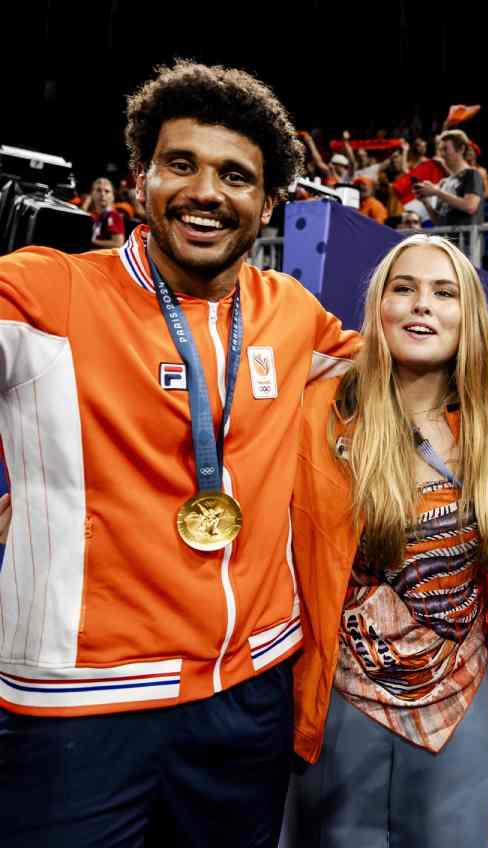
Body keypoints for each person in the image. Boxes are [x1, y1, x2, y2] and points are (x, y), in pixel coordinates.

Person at [0, 60, 358, 846]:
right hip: (82, 709)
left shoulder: (291, 311)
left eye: (236, 176)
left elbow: (403, 371)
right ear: (141, 178)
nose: (206, 192)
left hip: (250, 696)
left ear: (267, 204)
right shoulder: (43, 291)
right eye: (181, 164)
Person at [289, 234, 488, 848]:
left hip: (463, 696)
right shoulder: (317, 407)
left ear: (467, 315)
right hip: (340, 693)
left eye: (443, 293)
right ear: (379, 307)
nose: (423, 305)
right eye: (405, 288)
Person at [416, 129, 484, 251]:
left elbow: (470, 206)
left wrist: (436, 192)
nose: (441, 154)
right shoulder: (444, 182)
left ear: (461, 149)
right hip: (444, 245)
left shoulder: (472, 175)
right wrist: (425, 201)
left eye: (445, 149)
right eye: (440, 150)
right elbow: (438, 221)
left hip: (465, 246)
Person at [88, 176, 126, 248]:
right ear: (92, 194)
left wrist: (91, 241)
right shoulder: (94, 215)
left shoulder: (113, 215)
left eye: (107, 191)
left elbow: (118, 243)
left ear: (113, 196)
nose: (102, 194)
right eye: (98, 190)